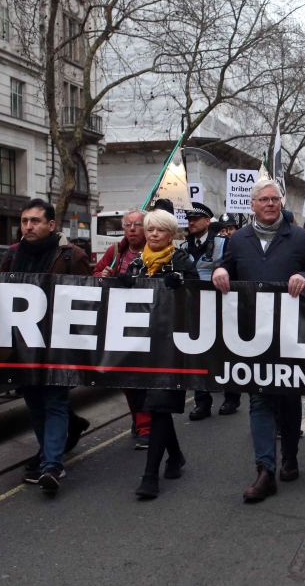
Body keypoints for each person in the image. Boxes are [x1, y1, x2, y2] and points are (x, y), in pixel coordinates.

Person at [212, 178, 305, 502]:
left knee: (289, 399)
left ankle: (289, 456)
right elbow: (224, 269)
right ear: (252, 205)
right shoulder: (237, 241)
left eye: (274, 199)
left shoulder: (301, 238)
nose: (270, 204)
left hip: (290, 336)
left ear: (281, 203)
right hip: (252, 336)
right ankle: (265, 470)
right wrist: (219, 273)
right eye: (263, 199)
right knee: (260, 399)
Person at [0, 199, 90, 493]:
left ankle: (52, 465)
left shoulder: (72, 256)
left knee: (54, 402)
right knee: (36, 405)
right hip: (22, 345)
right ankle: (50, 454)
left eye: (35, 221)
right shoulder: (13, 256)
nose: (28, 226)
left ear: (51, 225)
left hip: (57, 346)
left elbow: (86, 301)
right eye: (25, 221)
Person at [120, 209, 198, 499]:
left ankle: (149, 476)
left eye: (160, 230)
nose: (153, 234)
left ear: (171, 234)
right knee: (155, 407)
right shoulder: (137, 264)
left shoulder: (183, 261)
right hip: (143, 346)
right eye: (149, 229)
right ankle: (175, 455)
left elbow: (197, 297)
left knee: (160, 405)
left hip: (173, 347)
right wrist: (123, 282)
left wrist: (183, 286)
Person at [92, 208, 152, 448]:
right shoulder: (115, 251)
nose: (132, 229)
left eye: (138, 225)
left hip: (147, 324)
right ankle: (139, 418)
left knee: (144, 377)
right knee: (126, 378)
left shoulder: (154, 250)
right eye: (128, 225)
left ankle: (145, 426)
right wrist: (103, 274)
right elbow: (95, 274)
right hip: (119, 324)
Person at [186, 202, 241, 421]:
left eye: (196, 219)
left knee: (225, 353)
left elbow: (234, 269)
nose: (191, 222)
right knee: (198, 355)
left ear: (207, 222)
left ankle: (231, 396)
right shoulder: (183, 247)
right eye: (189, 219)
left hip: (221, 305)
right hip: (195, 308)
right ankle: (202, 401)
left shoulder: (223, 244)